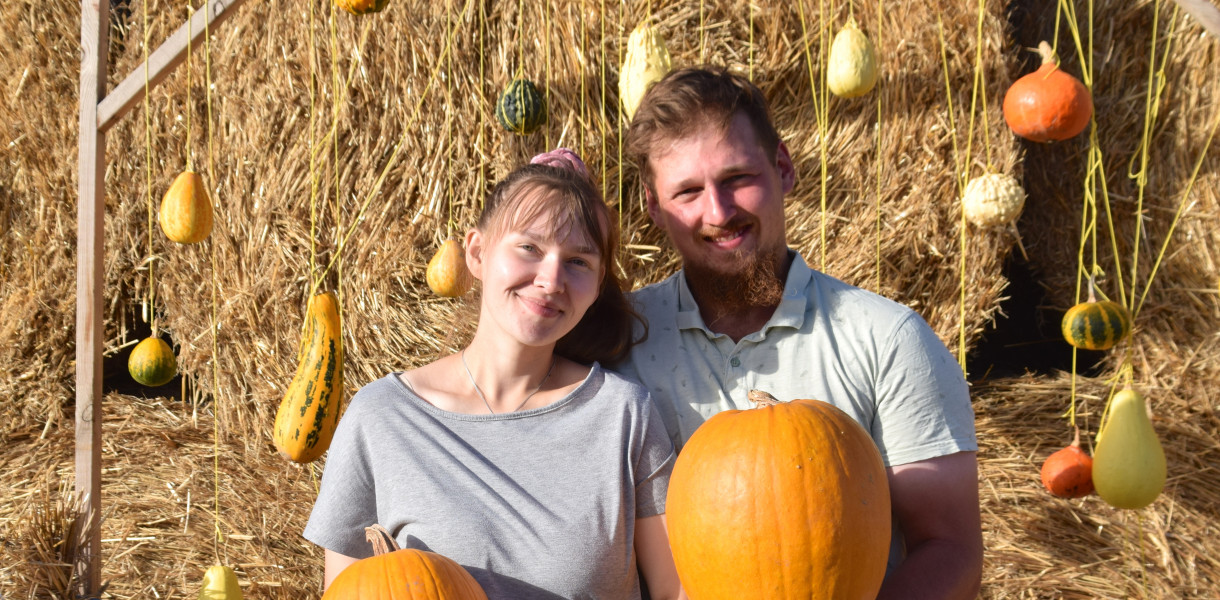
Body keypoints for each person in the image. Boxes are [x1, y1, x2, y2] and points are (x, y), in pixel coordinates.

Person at [617, 66, 983, 599]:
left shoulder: (888, 339)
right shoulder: (621, 342)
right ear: (654, 206)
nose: (718, 212)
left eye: (737, 178)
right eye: (688, 191)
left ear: (783, 168)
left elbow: (950, 549)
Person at [304, 150, 685, 600]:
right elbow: (351, 591)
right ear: (477, 253)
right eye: (530, 248)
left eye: (579, 262)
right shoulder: (382, 418)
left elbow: (675, 592)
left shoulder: (624, 415)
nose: (551, 279)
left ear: (598, 285)